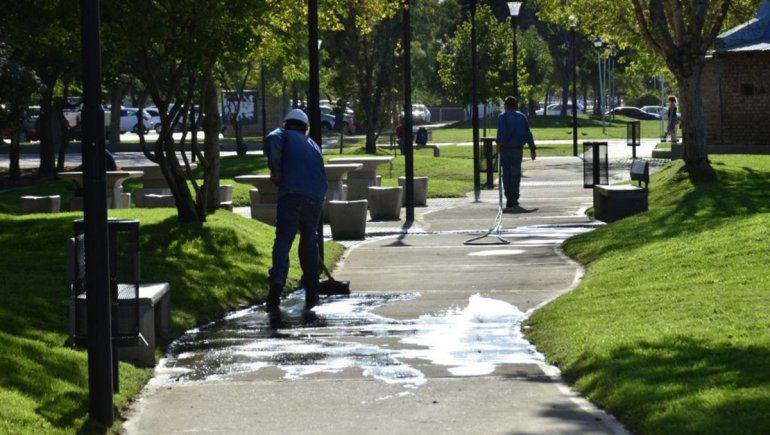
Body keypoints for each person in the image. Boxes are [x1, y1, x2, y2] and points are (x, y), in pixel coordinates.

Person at [264, 109, 328, 326]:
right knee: (309, 243)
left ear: (287, 124)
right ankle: (312, 290)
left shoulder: (283, 134)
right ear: (305, 128)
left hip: (291, 194)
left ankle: (277, 281)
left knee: (283, 240)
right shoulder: (314, 145)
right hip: (315, 198)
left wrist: (275, 170)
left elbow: (271, 138)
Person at [496, 96, 536, 208]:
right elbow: (528, 133)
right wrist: (532, 149)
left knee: (506, 173)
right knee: (515, 173)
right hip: (517, 149)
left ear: (506, 105)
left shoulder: (502, 117)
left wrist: (498, 144)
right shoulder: (522, 117)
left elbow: (500, 133)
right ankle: (514, 197)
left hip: (505, 149)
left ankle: (508, 197)